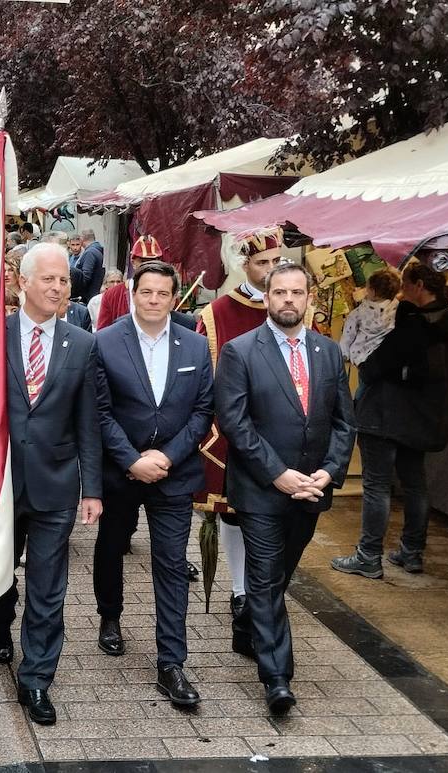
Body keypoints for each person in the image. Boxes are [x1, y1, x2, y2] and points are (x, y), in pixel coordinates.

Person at [0, 242, 103, 727]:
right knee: (1, 575)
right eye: (49, 279)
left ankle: (37, 677)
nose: (59, 287)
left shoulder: (82, 344)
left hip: (56, 486)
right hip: (0, 485)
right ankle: (0, 623)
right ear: (23, 281)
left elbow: (89, 422)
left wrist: (93, 489)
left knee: (48, 587)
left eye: (64, 280)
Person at [213, 262, 355, 715]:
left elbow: (343, 422)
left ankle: (247, 625)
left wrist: (330, 471)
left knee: (278, 574)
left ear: (309, 297)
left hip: (312, 489)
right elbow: (234, 421)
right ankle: (277, 677)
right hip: (260, 489)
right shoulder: (240, 352)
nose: (288, 300)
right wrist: (277, 473)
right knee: (267, 576)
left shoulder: (329, 353)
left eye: (297, 292)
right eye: (280, 292)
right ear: (266, 297)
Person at [91, 261, 214, 708]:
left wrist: (167, 456)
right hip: (121, 472)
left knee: (170, 562)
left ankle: (171, 662)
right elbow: (100, 411)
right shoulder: (105, 342)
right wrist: (130, 460)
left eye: (163, 294)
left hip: (173, 474)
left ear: (174, 296)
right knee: (111, 546)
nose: (155, 301)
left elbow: (203, 410)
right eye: (147, 293)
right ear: (132, 293)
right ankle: (109, 616)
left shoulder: (196, 346)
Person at [331, 262, 448, 579]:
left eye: (406, 284)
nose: (402, 292)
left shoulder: (412, 324)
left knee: (376, 485)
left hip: (383, 414)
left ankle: (368, 555)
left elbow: (376, 366)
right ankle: (411, 551)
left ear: (419, 285)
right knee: (415, 483)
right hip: (419, 418)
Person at [194, 225, 287, 657]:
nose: (270, 270)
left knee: (274, 519)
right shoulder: (216, 314)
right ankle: (240, 593)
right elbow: (199, 379)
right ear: (246, 265)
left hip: (282, 432)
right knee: (233, 516)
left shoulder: (291, 307)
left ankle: (263, 595)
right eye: (262, 262)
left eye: (275, 261)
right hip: (230, 434)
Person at [338, 268, 400, 367]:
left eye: (367, 288)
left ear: (374, 293)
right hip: (380, 354)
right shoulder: (396, 306)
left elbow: (349, 332)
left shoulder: (362, 311)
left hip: (361, 354)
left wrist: (343, 353)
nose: (365, 290)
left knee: (350, 322)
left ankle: (344, 353)